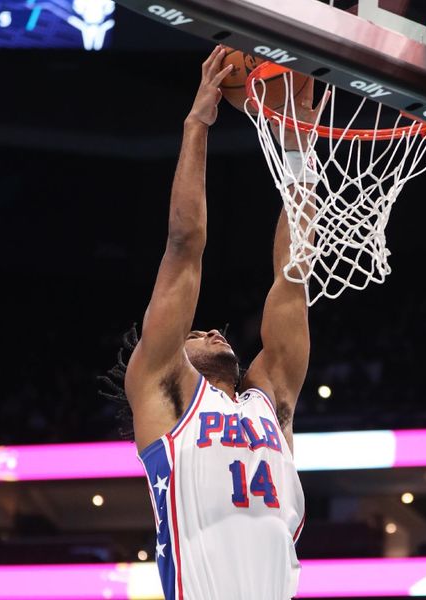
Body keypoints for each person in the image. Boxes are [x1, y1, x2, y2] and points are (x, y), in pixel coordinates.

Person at [99, 45, 324, 600]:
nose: (210, 329)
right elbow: (183, 248)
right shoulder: (165, 395)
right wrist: (197, 123)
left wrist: (298, 154)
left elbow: (293, 278)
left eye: (203, 328)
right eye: (197, 332)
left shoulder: (271, 397)